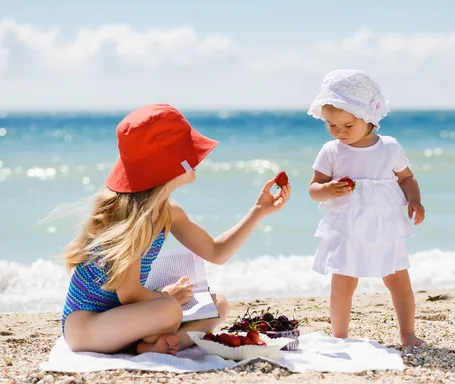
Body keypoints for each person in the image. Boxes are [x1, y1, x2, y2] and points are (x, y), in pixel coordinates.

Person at [61, 103, 291, 355]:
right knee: (169, 310)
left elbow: (217, 252)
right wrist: (166, 296)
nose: (197, 157)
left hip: (124, 318)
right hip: (87, 326)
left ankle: (147, 346)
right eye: (188, 150)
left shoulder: (169, 211)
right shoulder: (132, 218)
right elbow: (128, 293)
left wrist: (259, 210)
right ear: (168, 164)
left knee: (218, 304)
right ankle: (149, 341)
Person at [307, 69, 425, 346]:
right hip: (347, 228)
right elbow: (314, 188)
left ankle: (407, 333)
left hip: (385, 227)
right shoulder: (331, 151)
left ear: (369, 117)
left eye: (348, 126)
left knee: (398, 280)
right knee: (343, 284)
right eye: (332, 126)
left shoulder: (389, 147)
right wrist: (327, 189)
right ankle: (340, 337)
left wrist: (414, 199)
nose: (339, 132)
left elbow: (406, 177)